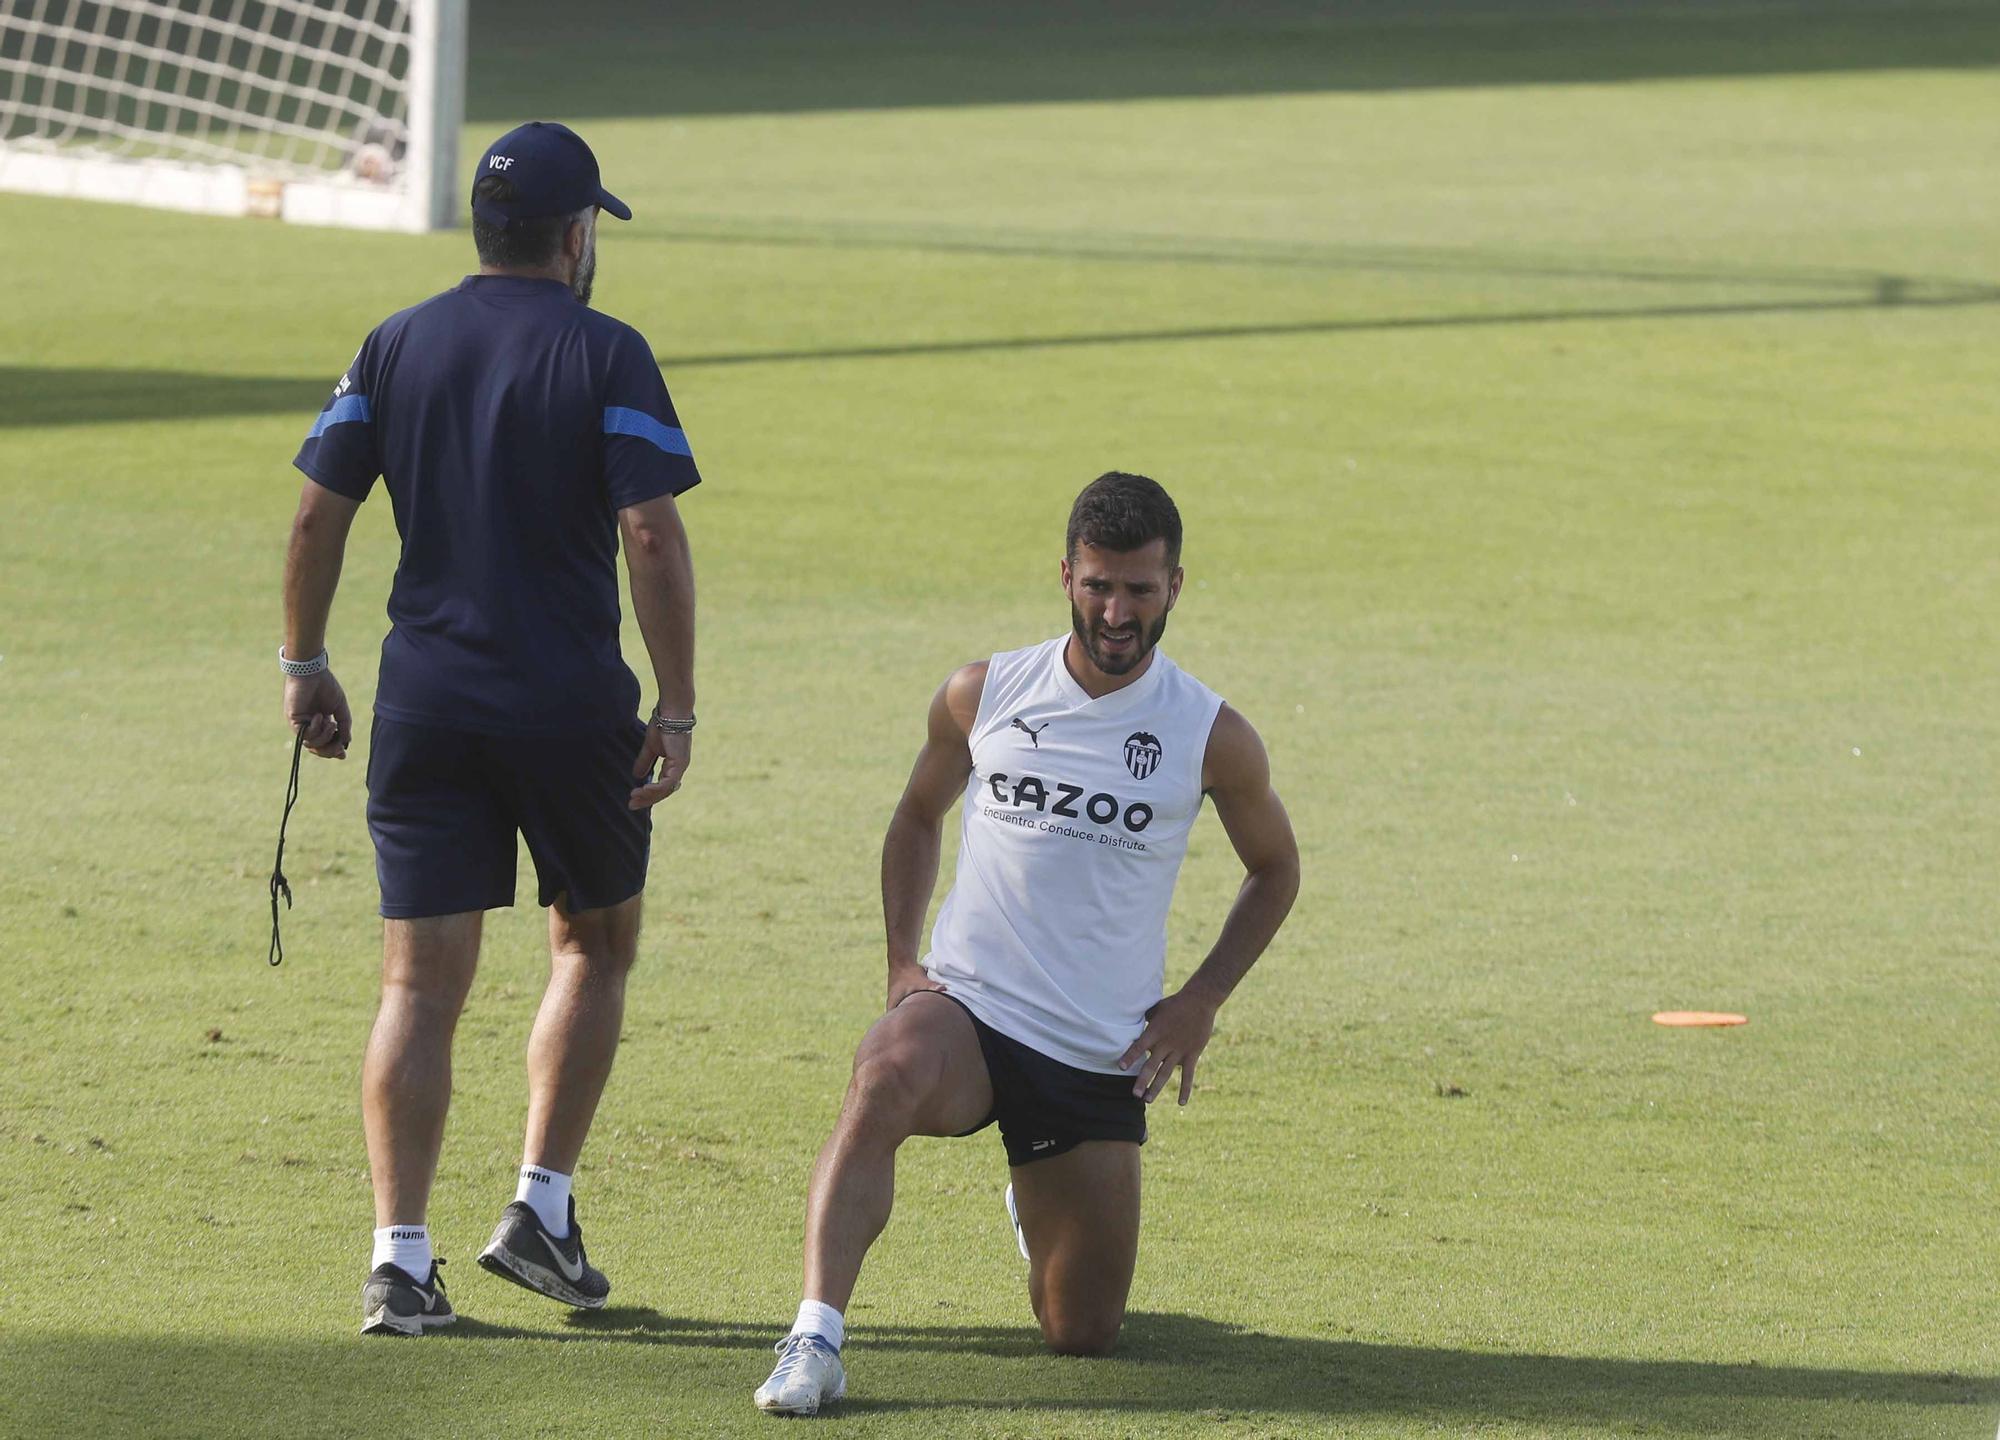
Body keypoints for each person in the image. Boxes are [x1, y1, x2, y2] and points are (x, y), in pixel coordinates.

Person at [278, 121, 702, 1336]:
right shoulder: (606, 352)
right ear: (576, 238)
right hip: (570, 708)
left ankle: (398, 1263)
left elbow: (317, 517)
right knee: (593, 946)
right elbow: (651, 533)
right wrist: (673, 705)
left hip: (424, 704)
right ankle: (539, 1208)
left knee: (418, 983)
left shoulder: (395, 343)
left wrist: (306, 662)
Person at [754, 472, 1300, 1413]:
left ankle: (1033, 1197)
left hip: (1095, 1053)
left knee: (1080, 1333)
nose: (1116, 611)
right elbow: (918, 815)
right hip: (969, 1012)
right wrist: (901, 963)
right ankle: (814, 1338)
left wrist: (1201, 999)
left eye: (1138, 588)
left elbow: (1276, 869)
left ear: (1175, 587)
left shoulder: (1211, 735)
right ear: (1066, 576)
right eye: (1098, 585)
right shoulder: (985, 692)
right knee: (883, 1071)